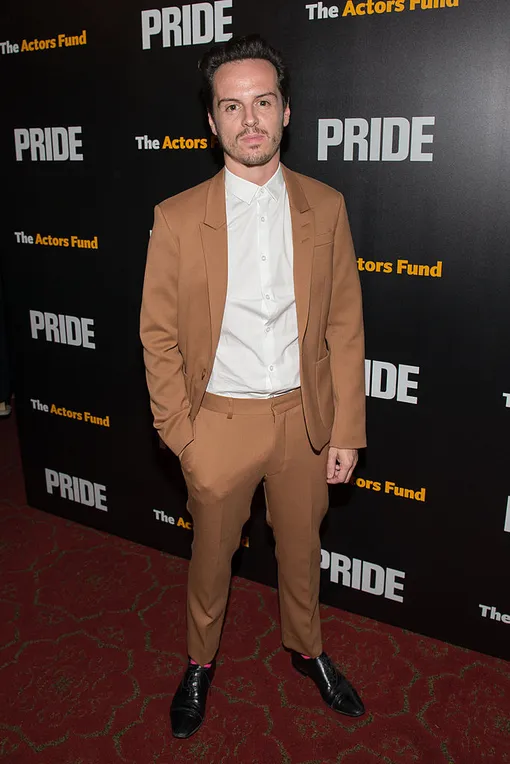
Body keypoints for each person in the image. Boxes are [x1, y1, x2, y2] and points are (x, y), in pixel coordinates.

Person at [140, 34, 366, 740]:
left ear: (286, 110)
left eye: (262, 102)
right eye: (231, 107)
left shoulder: (326, 206)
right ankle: (200, 663)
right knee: (211, 559)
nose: (249, 120)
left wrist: (347, 430)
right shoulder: (176, 218)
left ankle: (308, 649)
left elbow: (344, 325)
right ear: (212, 122)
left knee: (302, 549)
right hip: (220, 424)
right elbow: (159, 336)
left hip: (305, 420)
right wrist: (184, 437)